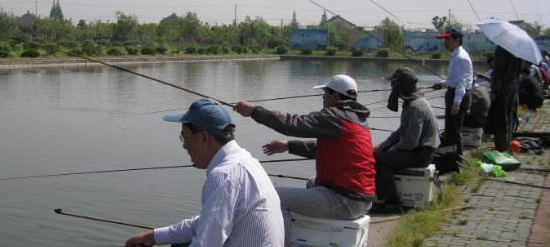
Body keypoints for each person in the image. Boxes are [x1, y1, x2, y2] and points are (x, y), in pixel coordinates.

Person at [124, 98, 284, 247]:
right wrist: (152, 237)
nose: (184, 146)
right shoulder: (248, 162)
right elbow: (207, 223)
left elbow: (206, 243)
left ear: (205, 138)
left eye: (184, 136)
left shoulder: (223, 175)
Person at [233, 74, 375, 220]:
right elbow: (322, 149)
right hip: (361, 200)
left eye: (326, 93)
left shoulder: (335, 116)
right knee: (312, 183)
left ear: (336, 97)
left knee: (267, 196)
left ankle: (278, 241)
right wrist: (289, 146)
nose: (323, 97)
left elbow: (292, 124)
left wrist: (254, 111)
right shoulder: (357, 119)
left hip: (345, 202)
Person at [371, 67, 440, 214]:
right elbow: (401, 132)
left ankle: (392, 202)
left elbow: (411, 141)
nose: (391, 87)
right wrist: (382, 146)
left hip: (421, 154)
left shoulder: (416, 106)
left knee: (380, 161)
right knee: (379, 154)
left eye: (393, 84)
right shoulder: (413, 103)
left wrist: (391, 151)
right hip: (417, 151)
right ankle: (384, 195)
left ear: (399, 86)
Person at [431, 28, 473, 172]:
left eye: (447, 39)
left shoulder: (459, 57)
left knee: (454, 133)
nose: (445, 42)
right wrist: (442, 84)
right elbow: (454, 79)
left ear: (457, 41)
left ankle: (457, 165)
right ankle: (452, 163)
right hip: (456, 94)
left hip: (457, 96)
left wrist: (456, 104)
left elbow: (461, 83)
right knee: (451, 132)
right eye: (444, 39)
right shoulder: (457, 56)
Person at [484, 46, 522, 152]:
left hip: (502, 88)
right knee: (509, 117)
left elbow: (498, 71)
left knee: (499, 119)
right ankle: (508, 144)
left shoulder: (502, 47)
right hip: (513, 86)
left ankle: (501, 148)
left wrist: (494, 90)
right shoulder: (519, 49)